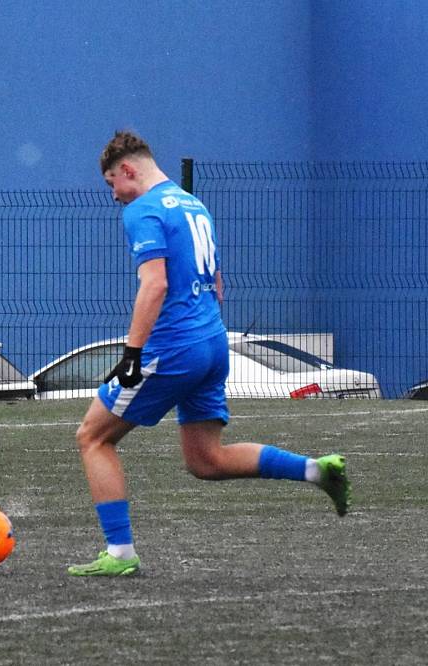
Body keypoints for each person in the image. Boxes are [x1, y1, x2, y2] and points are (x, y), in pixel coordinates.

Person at [67, 130, 351, 576]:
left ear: (127, 170)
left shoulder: (143, 210)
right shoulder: (193, 205)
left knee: (93, 437)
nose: (114, 196)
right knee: (206, 460)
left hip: (174, 346)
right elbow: (218, 282)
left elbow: (155, 284)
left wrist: (133, 352)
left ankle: (120, 554)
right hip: (213, 341)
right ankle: (316, 471)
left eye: (111, 184)